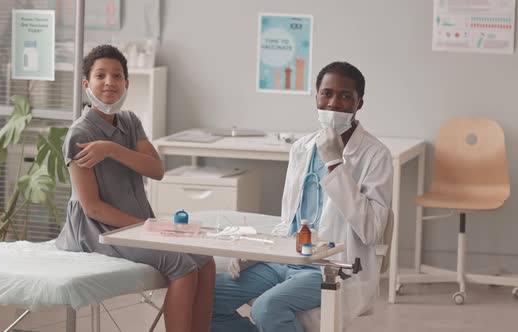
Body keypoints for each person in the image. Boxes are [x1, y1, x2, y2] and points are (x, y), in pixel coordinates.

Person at [211, 62, 393, 332]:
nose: (333, 103)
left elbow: (372, 230)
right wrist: (258, 252)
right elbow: (289, 221)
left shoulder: (375, 155)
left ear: (359, 103)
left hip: (332, 267)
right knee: (207, 297)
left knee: (267, 308)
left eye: (345, 96)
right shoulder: (302, 148)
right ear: (316, 97)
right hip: (288, 258)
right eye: (326, 93)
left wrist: (335, 166)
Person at [55, 44, 215, 332]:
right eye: (100, 76)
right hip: (99, 231)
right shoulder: (79, 133)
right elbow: (92, 207)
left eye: (117, 76)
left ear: (126, 83)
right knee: (183, 265)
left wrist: (112, 149)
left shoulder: (129, 122)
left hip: (135, 225)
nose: (109, 83)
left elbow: (157, 170)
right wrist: (145, 227)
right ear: (86, 84)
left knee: (204, 259)